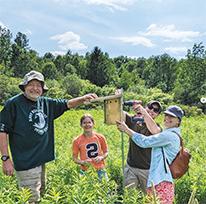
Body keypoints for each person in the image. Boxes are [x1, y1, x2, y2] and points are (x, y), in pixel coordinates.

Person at [0, 70, 98, 204]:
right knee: (30, 199)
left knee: (41, 193)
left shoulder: (46, 103)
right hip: (26, 162)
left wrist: (82, 99)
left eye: (38, 85)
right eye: (31, 84)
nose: (35, 88)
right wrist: (5, 159)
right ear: (24, 86)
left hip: (41, 161)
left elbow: (67, 104)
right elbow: (2, 130)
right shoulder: (14, 104)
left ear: (42, 89)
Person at [116, 105, 184, 204]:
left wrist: (126, 130)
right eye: (167, 115)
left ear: (178, 121)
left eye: (172, 117)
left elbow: (145, 142)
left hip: (160, 181)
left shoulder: (169, 136)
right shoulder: (169, 133)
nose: (167, 118)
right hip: (158, 179)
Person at [123, 100, 162, 193]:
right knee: (130, 197)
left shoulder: (157, 127)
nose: (152, 110)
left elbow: (155, 131)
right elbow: (118, 114)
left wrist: (144, 112)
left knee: (149, 198)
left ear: (158, 115)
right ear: (145, 106)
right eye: (150, 107)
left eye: (155, 110)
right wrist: (121, 101)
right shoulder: (134, 120)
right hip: (131, 166)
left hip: (148, 169)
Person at [72, 114, 108, 181]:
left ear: (93, 124)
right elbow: (74, 158)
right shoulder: (77, 141)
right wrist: (83, 162)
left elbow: (106, 152)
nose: (87, 125)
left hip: (100, 169)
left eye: (89, 122)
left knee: (106, 190)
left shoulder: (100, 137)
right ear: (81, 125)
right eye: (84, 123)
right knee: (85, 191)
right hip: (85, 170)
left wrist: (101, 157)